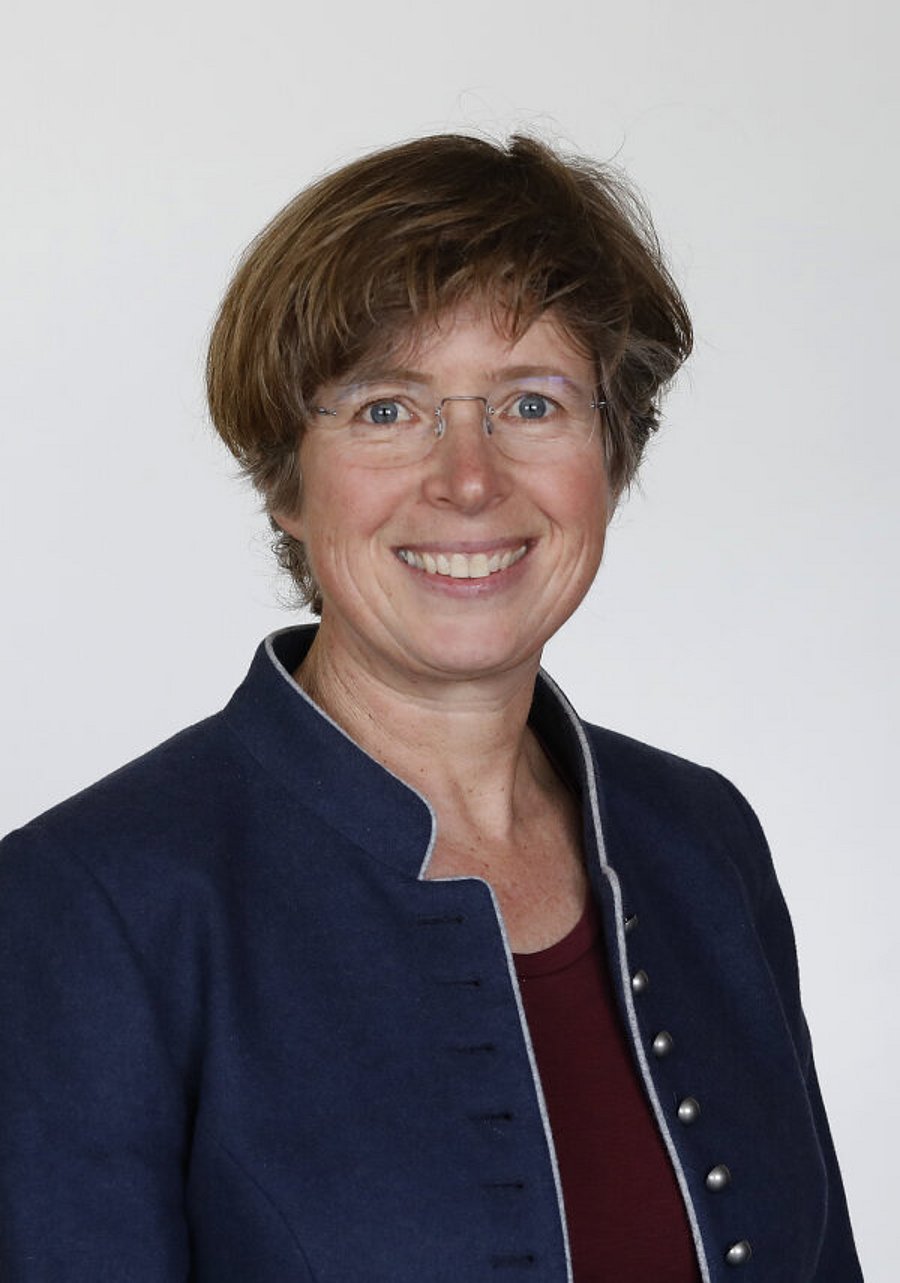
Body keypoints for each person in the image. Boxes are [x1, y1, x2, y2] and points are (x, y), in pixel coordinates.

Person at [0, 134, 862, 1282]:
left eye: (533, 402)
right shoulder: (87, 906)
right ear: (287, 480)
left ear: (609, 455)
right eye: (386, 410)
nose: (468, 477)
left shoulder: (701, 839)